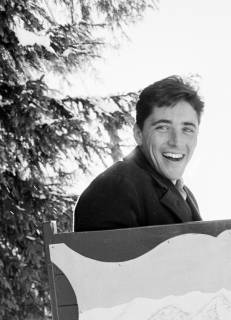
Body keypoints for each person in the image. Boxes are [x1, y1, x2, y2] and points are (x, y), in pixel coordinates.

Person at [74, 75, 204, 232]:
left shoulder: (184, 194)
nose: (176, 142)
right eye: (162, 127)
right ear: (138, 134)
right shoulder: (116, 188)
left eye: (187, 129)